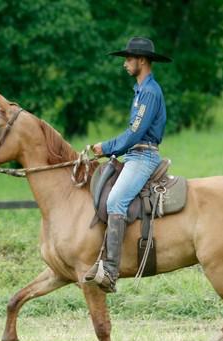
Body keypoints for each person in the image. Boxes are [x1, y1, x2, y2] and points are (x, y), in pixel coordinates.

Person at [84, 37, 172, 293]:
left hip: (143, 157)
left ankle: (111, 270)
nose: (124, 64)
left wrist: (107, 147)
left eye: (128, 59)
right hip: (134, 155)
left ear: (141, 61)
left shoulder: (149, 92)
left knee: (115, 201)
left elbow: (134, 133)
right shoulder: (141, 90)